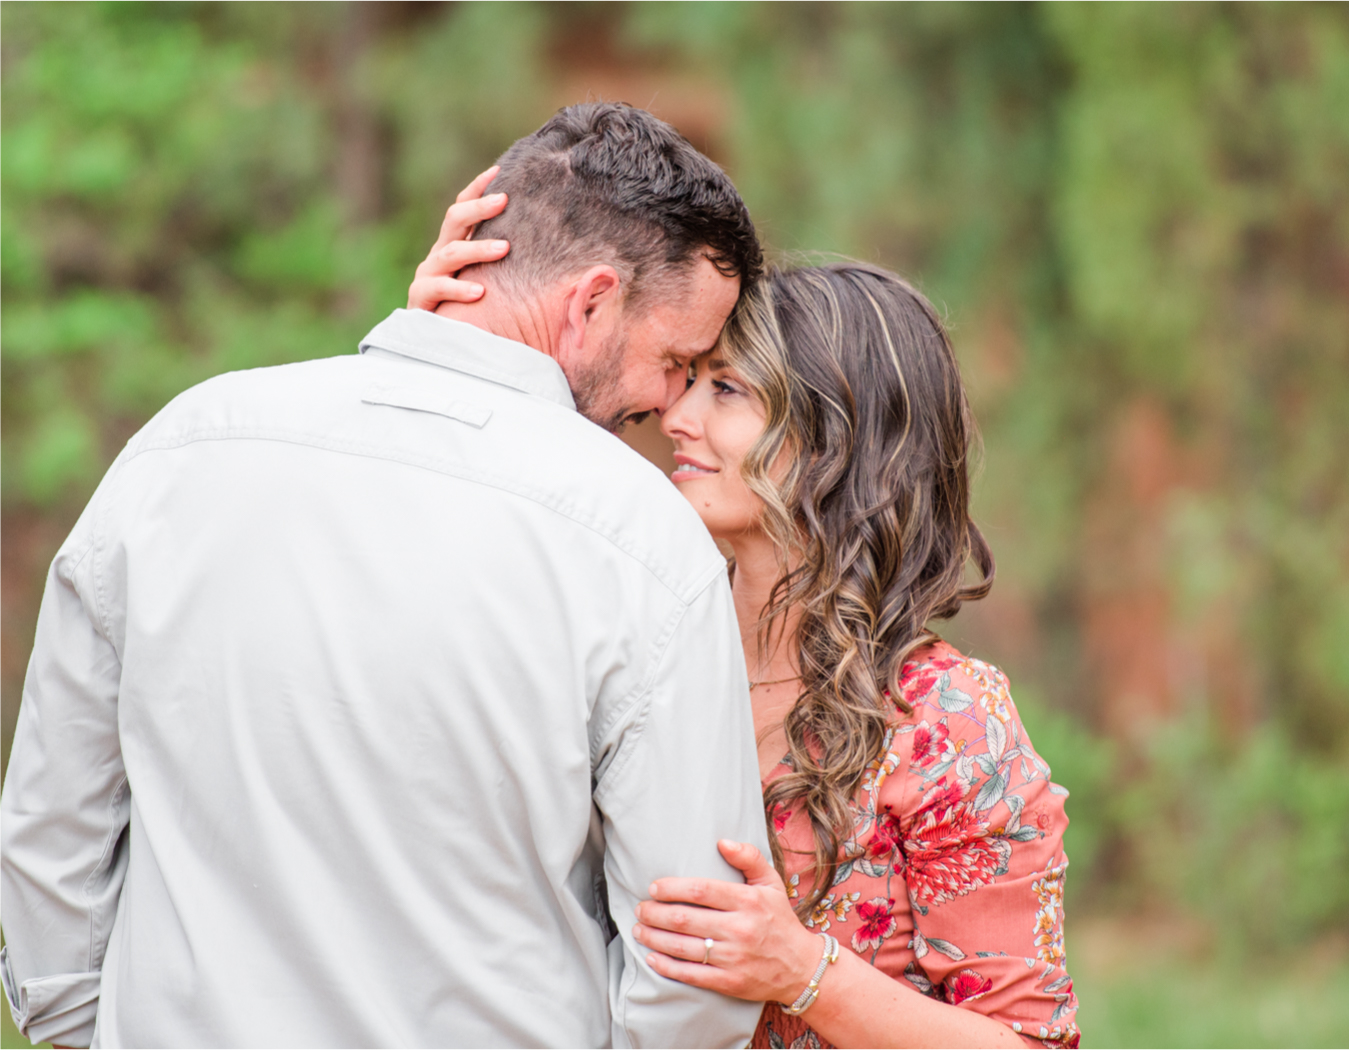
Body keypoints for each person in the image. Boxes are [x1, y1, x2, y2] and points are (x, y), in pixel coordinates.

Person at [0, 102, 773, 1049]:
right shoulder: (642, 543)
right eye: (676, 360)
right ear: (591, 302)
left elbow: (51, 834)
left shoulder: (183, 448)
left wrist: (93, 1033)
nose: (668, 403)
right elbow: (692, 966)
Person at [415, 235, 1081, 1043]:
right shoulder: (631, 646)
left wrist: (799, 970)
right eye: (688, 378)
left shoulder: (946, 723)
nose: (675, 415)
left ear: (837, 442)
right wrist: (443, 352)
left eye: (725, 389)